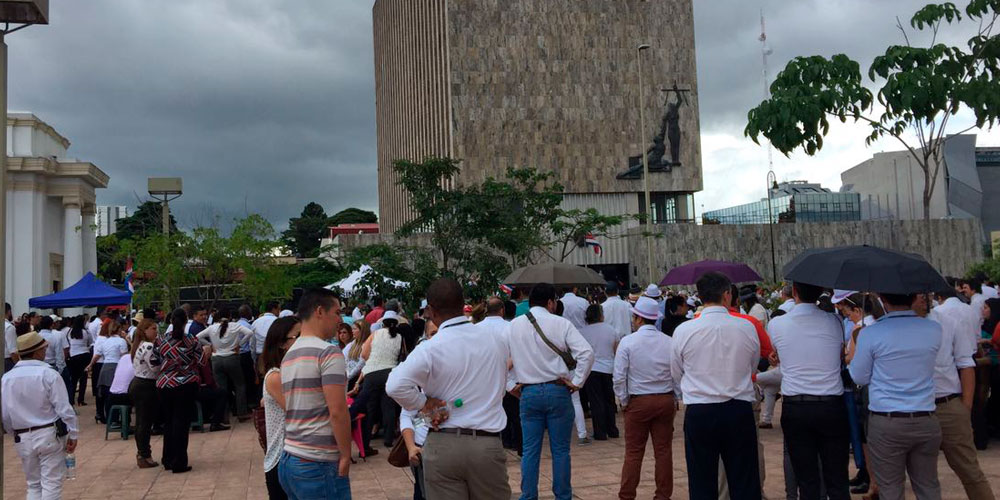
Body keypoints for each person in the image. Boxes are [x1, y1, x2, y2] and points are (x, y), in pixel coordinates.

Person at [386, 278, 511, 500]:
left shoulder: (430, 347)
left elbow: (394, 385)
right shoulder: (495, 340)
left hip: (443, 442)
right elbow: (501, 386)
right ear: (464, 304)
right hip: (486, 442)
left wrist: (424, 403)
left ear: (430, 310)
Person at [671, 272, 761, 500]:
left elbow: (676, 372)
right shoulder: (746, 327)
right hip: (738, 409)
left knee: (701, 481)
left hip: (700, 411)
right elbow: (752, 367)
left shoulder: (683, 331)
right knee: (744, 479)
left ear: (700, 297)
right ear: (727, 295)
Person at [848, 292, 943, 500]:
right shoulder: (933, 329)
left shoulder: (871, 333)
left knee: (890, 489)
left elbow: (859, 376)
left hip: (887, 420)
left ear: (883, 300)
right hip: (925, 417)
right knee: (928, 487)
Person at [508, 283, 595, 500]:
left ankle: (528, 496)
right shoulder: (561, 323)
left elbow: (498, 360)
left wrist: (510, 385)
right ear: (550, 302)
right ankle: (563, 496)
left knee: (530, 451)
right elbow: (586, 353)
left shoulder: (513, 325)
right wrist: (576, 382)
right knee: (560, 450)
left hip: (528, 392)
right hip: (558, 390)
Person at [767, 281, 850, 500]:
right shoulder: (835, 321)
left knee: (807, 479)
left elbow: (780, 354)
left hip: (797, 407)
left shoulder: (777, 324)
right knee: (838, 479)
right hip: (831, 405)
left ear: (794, 292)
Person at [278, 288, 352, 500]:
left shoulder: (289, 355)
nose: (340, 319)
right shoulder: (328, 352)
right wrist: (346, 455)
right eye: (337, 312)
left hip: (291, 458)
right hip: (318, 462)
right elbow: (337, 410)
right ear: (320, 311)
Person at [928, 288, 994, 500]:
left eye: (925, 295)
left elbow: (966, 364)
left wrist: (964, 408)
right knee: (923, 476)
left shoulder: (946, 322)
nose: (922, 299)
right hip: (914, 408)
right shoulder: (895, 327)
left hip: (948, 403)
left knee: (969, 470)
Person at [2, 331, 79, 499]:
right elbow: (64, 408)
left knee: (33, 484)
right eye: (43, 349)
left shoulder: (7, 379)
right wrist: (73, 433)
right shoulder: (48, 374)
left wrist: (13, 431)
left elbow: (5, 415)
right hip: (48, 433)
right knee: (51, 483)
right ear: (37, 352)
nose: (45, 352)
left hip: (22, 436)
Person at [613, 296, 675, 500]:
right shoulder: (668, 341)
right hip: (664, 399)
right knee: (663, 451)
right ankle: (663, 495)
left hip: (638, 401)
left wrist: (623, 400)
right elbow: (677, 372)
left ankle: (627, 495)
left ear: (638, 318)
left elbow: (619, 377)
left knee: (633, 452)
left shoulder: (628, 342)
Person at [156, 308, 205, 473]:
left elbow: (156, 360)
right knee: (181, 424)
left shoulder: (161, 340)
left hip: (164, 385)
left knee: (168, 422)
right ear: (186, 322)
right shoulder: (192, 340)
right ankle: (179, 462)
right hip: (186, 384)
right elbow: (201, 362)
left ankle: (167, 458)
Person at [259, 316, 301, 500]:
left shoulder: (286, 372)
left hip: (293, 458)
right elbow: (299, 413)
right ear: (282, 343)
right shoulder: (276, 376)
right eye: (298, 336)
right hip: (281, 460)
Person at [476, 297, 522, 455]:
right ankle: (517, 443)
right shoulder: (511, 327)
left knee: (493, 411)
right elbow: (518, 352)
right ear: (502, 310)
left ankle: (503, 441)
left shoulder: (476, 329)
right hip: (511, 376)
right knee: (515, 413)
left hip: (486, 378)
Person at [195, 307, 255, 420]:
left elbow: (197, 337)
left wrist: (210, 345)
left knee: (221, 389)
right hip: (232, 357)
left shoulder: (212, 328)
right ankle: (241, 413)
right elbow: (250, 333)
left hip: (216, 360)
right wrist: (239, 344)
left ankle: (223, 416)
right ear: (230, 316)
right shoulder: (235, 325)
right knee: (239, 385)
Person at [359, 310, 404, 450]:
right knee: (388, 407)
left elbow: (364, 354)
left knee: (370, 409)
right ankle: (388, 440)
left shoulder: (375, 334)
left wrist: (375, 360)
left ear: (382, 322)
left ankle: (365, 443)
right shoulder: (400, 337)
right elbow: (402, 355)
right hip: (390, 373)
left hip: (372, 373)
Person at [579, 303, 619, 441]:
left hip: (592, 369)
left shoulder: (583, 332)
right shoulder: (611, 330)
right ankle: (612, 429)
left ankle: (600, 432)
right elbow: (616, 349)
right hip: (608, 368)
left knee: (596, 401)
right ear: (601, 315)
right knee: (609, 399)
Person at [129, 318, 161, 468]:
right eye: (153, 329)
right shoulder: (148, 347)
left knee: (143, 421)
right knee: (144, 422)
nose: (156, 331)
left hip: (140, 384)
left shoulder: (140, 346)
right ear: (145, 331)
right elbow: (155, 367)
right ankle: (144, 454)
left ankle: (143, 452)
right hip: (145, 385)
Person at [88, 319, 129, 424]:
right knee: (117, 393)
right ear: (119, 329)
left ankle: (109, 417)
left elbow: (97, 355)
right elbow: (124, 356)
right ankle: (118, 418)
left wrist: (90, 365)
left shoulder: (105, 341)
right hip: (116, 367)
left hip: (105, 367)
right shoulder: (121, 341)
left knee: (106, 395)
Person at [65, 316, 92, 406]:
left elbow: (68, 342)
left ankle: (71, 399)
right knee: (83, 379)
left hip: (73, 355)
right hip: (84, 355)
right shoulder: (85, 332)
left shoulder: (70, 332)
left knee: (73, 379)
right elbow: (90, 342)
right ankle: (81, 400)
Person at [237, 304, 260, 410]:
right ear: (247, 313)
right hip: (247, 355)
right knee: (249, 380)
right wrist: (254, 359)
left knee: (240, 381)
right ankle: (251, 403)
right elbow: (251, 345)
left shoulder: (235, 325)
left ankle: (242, 404)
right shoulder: (248, 327)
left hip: (237, 356)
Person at [345, 320, 370, 391]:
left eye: (355, 329)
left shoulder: (366, 345)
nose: (352, 331)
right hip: (348, 376)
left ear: (362, 331)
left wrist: (348, 377)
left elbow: (360, 364)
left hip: (357, 379)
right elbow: (346, 359)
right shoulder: (352, 343)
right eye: (352, 328)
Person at [4, 302, 20, 372]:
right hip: (7, 361)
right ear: (9, 312)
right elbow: (13, 351)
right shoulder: (9, 327)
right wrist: (18, 365)